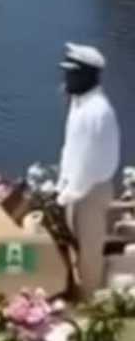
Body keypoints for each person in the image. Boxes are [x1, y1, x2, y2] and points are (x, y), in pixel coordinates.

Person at [56, 43, 120, 296]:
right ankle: (75, 291)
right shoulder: (79, 102)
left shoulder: (98, 112)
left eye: (73, 73)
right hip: (75, 189)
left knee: (90, 251)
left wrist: (69, 193)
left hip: (91, 190)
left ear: (89, 76)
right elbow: (70, 148)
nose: (67, 78)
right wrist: (62, 183)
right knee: (75, 245)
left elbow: (88, 161)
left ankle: (89, 303)